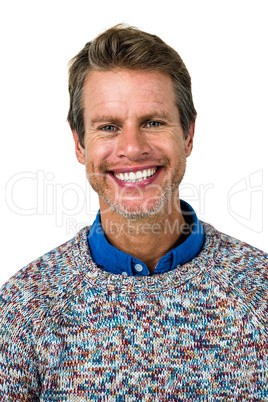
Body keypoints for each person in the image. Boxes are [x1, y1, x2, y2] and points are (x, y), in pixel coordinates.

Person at [0, 24, 267, 400]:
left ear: (188, 134)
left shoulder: (260, 291)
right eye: (109, 127)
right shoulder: (23, 308)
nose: (132, 147)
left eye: (153, 122)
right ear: (79, 144)